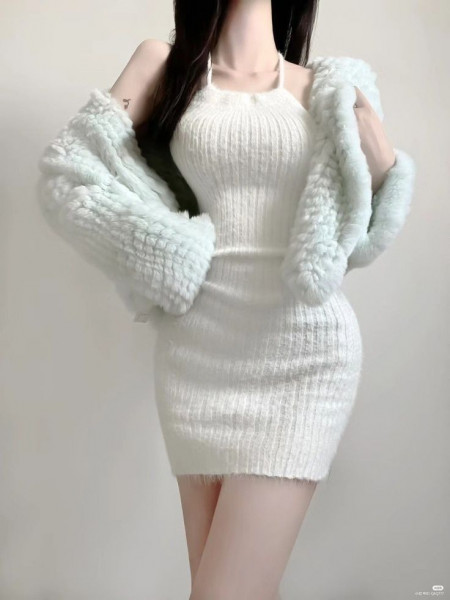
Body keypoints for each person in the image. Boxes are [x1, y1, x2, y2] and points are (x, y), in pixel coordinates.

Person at [37, 1, 416, 598]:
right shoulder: (163, 67)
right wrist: (168, 252)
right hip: (196, 354)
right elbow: (69, 172)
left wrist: (386, 165)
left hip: (303, 356)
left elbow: (357, 239)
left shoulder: (327, 88)